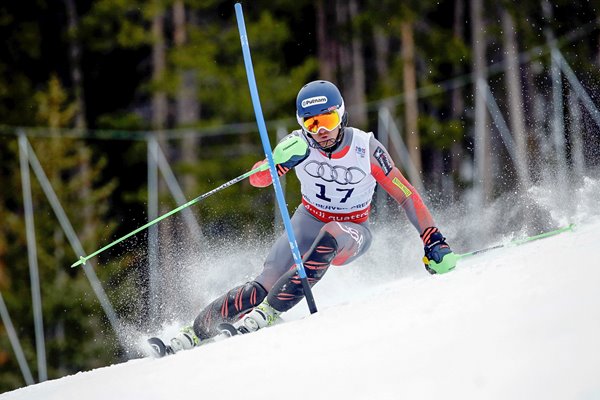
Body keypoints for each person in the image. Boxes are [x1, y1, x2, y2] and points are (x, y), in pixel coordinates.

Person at [167, 80, 457, 352]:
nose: (321, 131)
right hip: (307, 220)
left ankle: (270, 310)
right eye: (312, 123)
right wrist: (276, 162)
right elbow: (258, 180)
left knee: (332, 232)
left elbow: (405, 194)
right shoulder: (299, 144)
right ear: (301, 123)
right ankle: (197, 330)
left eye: (328, 120)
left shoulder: (365, 148)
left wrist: (433, 240)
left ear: (341, 115)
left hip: (352, 229)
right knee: (264, 282)